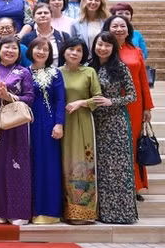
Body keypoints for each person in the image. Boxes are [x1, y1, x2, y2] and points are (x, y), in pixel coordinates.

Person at [0, 36, 35, 225]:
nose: (10, 51)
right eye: (6, 47)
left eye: (14, 48)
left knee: (16, 165)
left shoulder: (24, 72)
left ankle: (17, 211)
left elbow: (30, 98)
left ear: (19, 53)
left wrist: (9, 96)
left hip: (16, 123)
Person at [89, 32, 138, 224]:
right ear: (94, 45)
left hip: (116, 122)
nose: (103, 48)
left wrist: (112, 101)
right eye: (100, 44)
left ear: (113, 48)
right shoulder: (89, 67)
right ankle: (100, 212)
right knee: (100, 168)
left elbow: (132, 95)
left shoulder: (120, 67)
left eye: (107, 45)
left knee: (118, 169)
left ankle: (121, 214)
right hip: (94, 121)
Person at [104, 14, 154, 198]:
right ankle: (115, 186)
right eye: (114, 26)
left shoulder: (136, 51)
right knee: (115, 146)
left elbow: (143, 81)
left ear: (128, 30)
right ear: (108, 29)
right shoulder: (104, 49)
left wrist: (147, 107)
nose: (119, 29)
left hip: (134, 104)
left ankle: (135, 186)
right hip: (111, 104)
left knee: (133, 144)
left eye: (122, 26)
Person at [59, 37, 101, 224]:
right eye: (71, 49)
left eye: (79, 50)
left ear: (83, 54)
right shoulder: (57, 72)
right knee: (63, 163)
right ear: (64, 51)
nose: (74, 53)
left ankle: (83, 212)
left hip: (82, 122)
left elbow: (98, 98)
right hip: (61, 123)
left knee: (82, 164)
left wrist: (81, 102)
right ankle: (64, 210)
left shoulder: (89, 72)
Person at [27, 36, 66, 224]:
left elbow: (60, 99)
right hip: (27, 123)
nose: (41, 52)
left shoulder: (55, 73)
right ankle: (29, 209)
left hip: (49, 124)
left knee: (49, 165)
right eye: (38, 48)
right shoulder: (24, 71)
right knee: (30, 164)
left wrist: (59, 123)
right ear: (31, 50)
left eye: (46, 49)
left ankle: (49, 211)